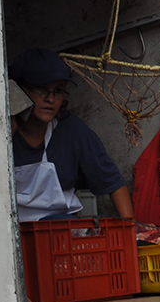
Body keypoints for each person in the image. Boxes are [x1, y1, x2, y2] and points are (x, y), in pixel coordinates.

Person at [10, 48, 134, 221]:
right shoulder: (1, 133)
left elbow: (112, 182)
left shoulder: (71, 130)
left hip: (61, 228)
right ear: (17, 90)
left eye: (58, 90)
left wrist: (130, 230)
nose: (50, 99)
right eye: (40, 89)